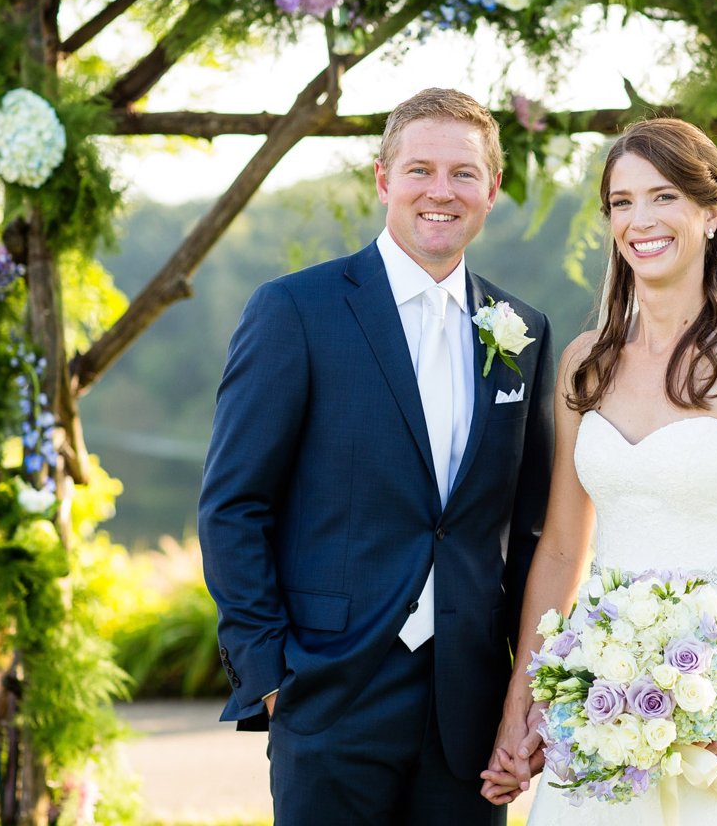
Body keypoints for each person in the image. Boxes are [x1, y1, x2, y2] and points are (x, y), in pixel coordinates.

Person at [198, 87, 555, 826]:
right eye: (420, 169)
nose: (441, 191)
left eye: (464, 174)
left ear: (492, 189)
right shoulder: (295, 310)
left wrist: (527, 693)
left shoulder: (523, 330)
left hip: (469, 710)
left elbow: (529, 530)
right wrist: (271, 678)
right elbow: (234, 507)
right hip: (328, 696)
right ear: (383, 179)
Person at [480, 117, 717, 823]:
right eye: (621, 201)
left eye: (663, 196)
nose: (639, 219)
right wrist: (522, 705)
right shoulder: (586, 362)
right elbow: (559, 550)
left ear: (711, 212)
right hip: (598, 693)